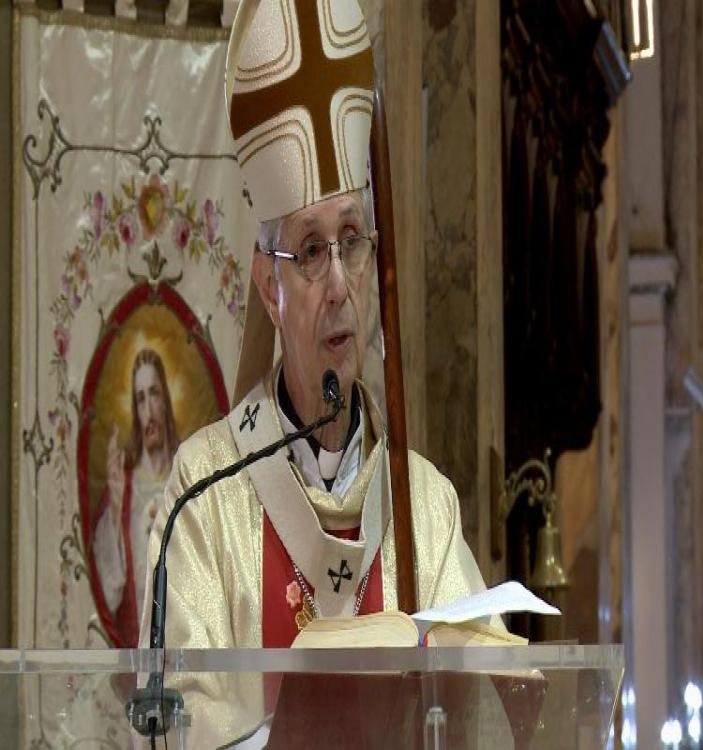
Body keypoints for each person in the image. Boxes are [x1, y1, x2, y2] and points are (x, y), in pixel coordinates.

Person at [139, 0, 501, 742]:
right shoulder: (204, 498)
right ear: (269, 288)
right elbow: (183, 724)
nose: (339, 282)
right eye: (309, 251)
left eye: (353, 241)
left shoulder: (424, 508)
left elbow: (489, 715)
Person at [93, 347, 179, 646]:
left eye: (153, 394)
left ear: (165, 400)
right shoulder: (123, 490)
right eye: (140, 398)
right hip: (134, 661)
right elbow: (110, 592)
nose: (148, 410)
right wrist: (116, 512)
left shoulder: (187, 478)